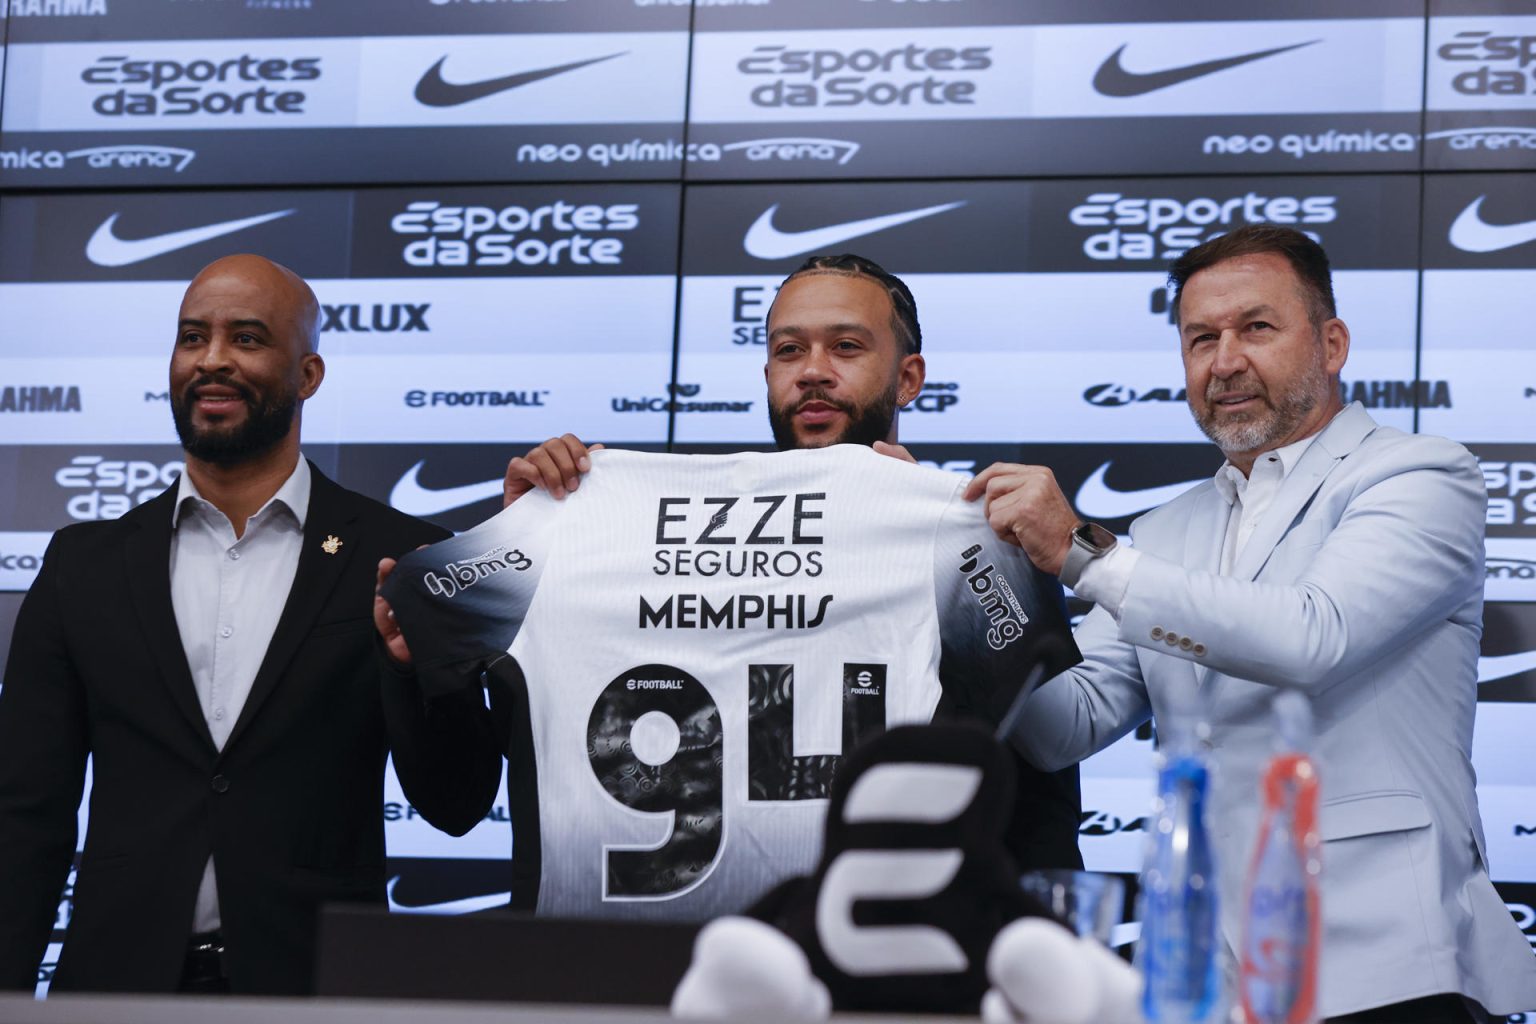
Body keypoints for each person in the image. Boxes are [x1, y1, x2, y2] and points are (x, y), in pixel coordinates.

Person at [374, 253, 1084, 901]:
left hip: (869, 976)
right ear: (767, 373)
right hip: (623, 980)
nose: (812, 369)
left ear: (908, 377)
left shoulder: (967, 540)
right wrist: (532, 545)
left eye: (846, 346)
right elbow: (462, 796)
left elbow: (1039, 803)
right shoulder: (600, 516)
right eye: (788, 349)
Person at [977, 226, 1536, 1022]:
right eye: (1201, 338)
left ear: (1332, 343)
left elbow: (1312, 636)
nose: (1225, 361)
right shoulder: (1167, 529)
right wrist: (948, 579)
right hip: (1212, 978)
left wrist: (1081, 554)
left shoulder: (1421, 473)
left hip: (1388, 966)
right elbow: (1061, 725)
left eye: (1257, 328)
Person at [0, 255, 451, 995]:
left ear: (307, 375)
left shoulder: (397, 556)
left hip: (313, 992)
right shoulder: (82, 564)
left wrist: (412, 669)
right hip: (112, 992)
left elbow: (457, 803)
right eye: (191, 338)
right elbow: (24, 818)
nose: (211, 361)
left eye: (246, 338)